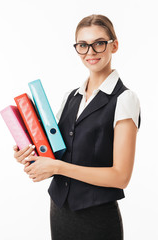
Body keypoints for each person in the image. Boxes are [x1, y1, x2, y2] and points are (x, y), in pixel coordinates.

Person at [13, 14, 140, 240]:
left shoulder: (124, 99)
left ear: (114, 45)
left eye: (98, 43)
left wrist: (57, 167)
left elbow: (121, 176)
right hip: (60, 212)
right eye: (83, 45)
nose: (90, 52)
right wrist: (28, 152)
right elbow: (57, 152)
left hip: (97, 220)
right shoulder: (71, 97)